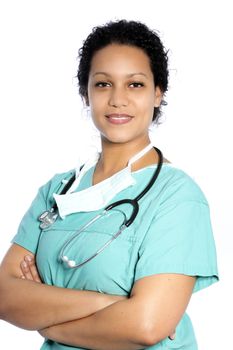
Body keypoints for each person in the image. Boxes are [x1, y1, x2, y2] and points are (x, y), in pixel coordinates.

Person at [0, 19, 218, 349]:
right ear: (85, 93)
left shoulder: (177, 198)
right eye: (103, 84)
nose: (117, 100)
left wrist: (47, 323)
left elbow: (145, 326)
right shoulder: (56, 191)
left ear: (158, 93)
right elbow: (4, 296)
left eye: (135, 85)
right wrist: (113, 306)